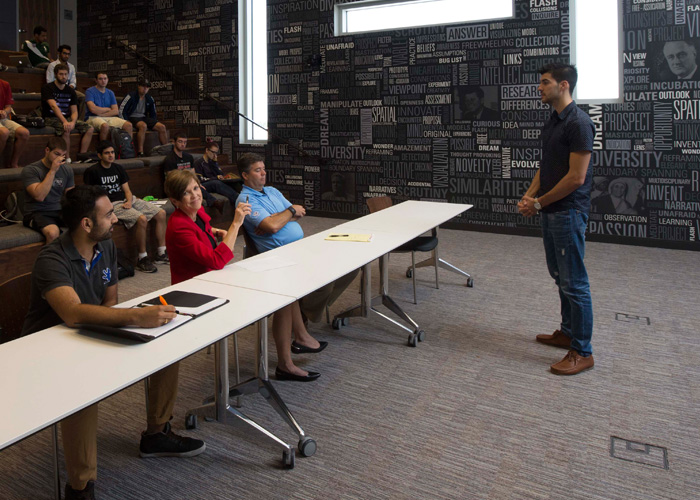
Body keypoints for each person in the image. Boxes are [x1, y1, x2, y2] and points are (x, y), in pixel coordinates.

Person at [21, 185, 205, 500]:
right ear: (86, 224)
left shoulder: (104, 248)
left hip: (91, 331)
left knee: (164, 344)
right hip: (50, 348)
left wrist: (124, 331)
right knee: (80, 391)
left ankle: (156, 434)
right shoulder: (51, 259)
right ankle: (80, 487)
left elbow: (110, 299)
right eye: (108, 215)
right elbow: (72, 313)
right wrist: (133, 319)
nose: (116, 221)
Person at [236, 153, 358, 382]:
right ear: (245, 175)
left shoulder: (271, 191)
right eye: (257, 170)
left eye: (264, 168)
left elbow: (299, 212)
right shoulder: (246, 200)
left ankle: (304, 314)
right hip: (277, 258)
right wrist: (284, 215)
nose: (263, 173)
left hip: (299, 249)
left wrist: (281, 217)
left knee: (349, 266)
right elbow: (276, 223)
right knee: (324, 281)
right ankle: (303, 323)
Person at [517, 63, 595, 376]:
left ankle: (582, 351)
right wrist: (529, 195)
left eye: (545, 83)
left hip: (568, 212)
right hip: (550, 211)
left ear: (563, 85)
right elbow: (545, 167)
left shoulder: (579, 122)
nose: (539, 88)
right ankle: (567, 332)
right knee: (559, 275)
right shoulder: (553, 122)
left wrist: (537, 203)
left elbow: (576, 178)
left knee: (574, 282)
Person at [83, 140, 169, 273]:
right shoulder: (92, 171)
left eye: (112, 152)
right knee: (141, 219)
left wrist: (129, 201)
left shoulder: (118, 168)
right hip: (111, 204)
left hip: (127, 200)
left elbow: (127, 190)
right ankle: (142, 258)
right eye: (107, 153)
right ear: (99, 155)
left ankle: (161, 253)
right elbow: (91, 195)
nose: (111, 155)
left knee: (161, 213)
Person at [164, 169, 250, 284]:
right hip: (193, 287)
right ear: (175, 201)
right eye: (186, 193)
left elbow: (201, 228)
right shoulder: (178, 227)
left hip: (211, 277)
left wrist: (217, 231)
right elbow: (217, 260)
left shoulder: (197, 210)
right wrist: (236, 223)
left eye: (195, 188)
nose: (194, 196)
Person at [22, 137, 74, 243]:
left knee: (86, 224)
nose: (59, 158)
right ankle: (50, 259)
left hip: (59, 210)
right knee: (53, 232)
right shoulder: (31, 170)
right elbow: (39, 196)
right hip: (36, 212)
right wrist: (53, 170)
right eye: (56, 154)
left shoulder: (67, 169)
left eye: (62, 155)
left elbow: (71, 197)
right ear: (47, 150)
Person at [42, 63, 94, 158]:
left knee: (90, 128)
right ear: (55, 75)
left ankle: (82, 155)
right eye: (61, 74)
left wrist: (73, 122)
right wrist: (65, 122)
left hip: (67, 117)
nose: (64, 77)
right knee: (66, 129)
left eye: (65, 74)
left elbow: (74, 111)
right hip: (51, 118)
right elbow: (53, 106)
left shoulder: (70, 91)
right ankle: (67, 158)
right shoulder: (48, 88)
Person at [162, 132, 223, 213]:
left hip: (190, 184)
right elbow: (171, 180)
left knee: (215, 183)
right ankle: (214, 202)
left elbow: (193, 175)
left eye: (185, 142)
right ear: (174, 142)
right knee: (194, 189)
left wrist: (198, 184)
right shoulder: (169, 159)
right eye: (180, 142)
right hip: (178, 187)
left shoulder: (188, 157)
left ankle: (235, 198)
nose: (183, 144)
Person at [118, 79, 168, 156]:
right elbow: (122, 109)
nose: (145, 88)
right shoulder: (131, 96)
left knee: (162, 127)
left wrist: (153, 123)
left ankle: (166, 149)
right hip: (132, 117)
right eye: (143, 86)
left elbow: (153, 113)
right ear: (138, 86)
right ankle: (140, 152)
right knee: (143, 126)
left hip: (143, 117)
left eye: (147, 87)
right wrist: (125, 121)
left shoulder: (149, 98)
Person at [85, 72, 133, 141]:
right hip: (92, 117)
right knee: (105, 126)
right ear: (96, 80)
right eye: (100, 79)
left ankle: (128, 148)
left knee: (128, 125)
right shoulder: (90, 91)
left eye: (105, 79)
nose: (103, 81)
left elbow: (116, 111)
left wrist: (100, 113)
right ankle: (104, 148)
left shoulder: (110, 93)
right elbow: (93, 109)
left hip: (108, 117)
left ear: (108, 80)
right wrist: (107, 109)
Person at [192, 141, 240, 205]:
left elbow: (221, 174)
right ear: (207, 150)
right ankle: (237, 199)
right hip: (205, 184)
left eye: (216, 153)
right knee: (216, 183)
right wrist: (216, 178)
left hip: (214, 181)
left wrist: (215, 163)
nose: (215, 155)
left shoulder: (212, 162)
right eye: (213, 152)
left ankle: (243, 197)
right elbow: (200, 179)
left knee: (234, 181)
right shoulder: (198, 162)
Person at [46, 44, 85, 119]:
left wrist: (70, 88)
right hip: (56, 88)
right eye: (64, 53)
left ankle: (80, 120)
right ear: (59, 53)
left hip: (68, 88)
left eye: (68, 54)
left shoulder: (71, 66)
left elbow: (73, 81)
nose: (66, 56)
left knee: (82, 97)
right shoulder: (52, 65)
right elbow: (49, 81)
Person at [0, 78, 30, 168]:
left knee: (24, 133)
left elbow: (8, 107)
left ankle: (13, 164)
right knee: (4, 132)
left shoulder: (4, 84)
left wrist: (5, 112)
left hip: (2, 118)